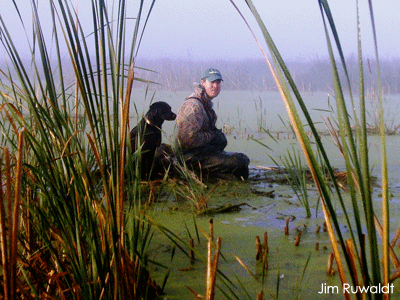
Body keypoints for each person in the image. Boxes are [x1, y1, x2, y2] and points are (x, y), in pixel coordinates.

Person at [175, 68, 250, 180]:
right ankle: (200, 173)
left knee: (242, 161)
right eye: (212, 82)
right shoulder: (193, 106)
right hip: (190, 158)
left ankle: (214, 175)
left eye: (218, 82)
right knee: (240, 161)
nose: (216, 86)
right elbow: (188, 139)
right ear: (203, 83)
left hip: (202, 153)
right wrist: (212, 135)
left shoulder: (205, 103)